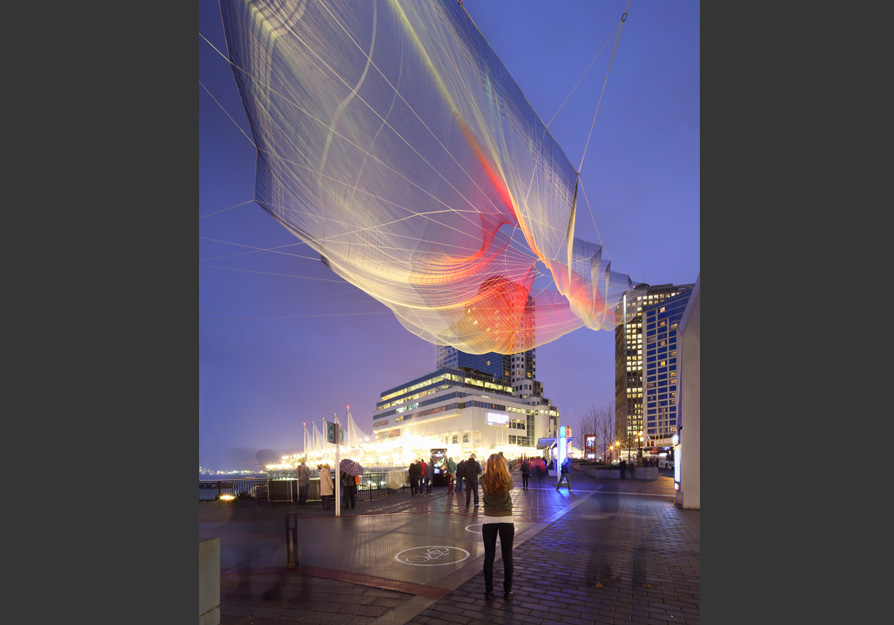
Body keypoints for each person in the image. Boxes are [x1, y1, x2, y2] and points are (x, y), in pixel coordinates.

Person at [481, 453, 514, 600]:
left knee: (489, 556)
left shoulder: (483, 480)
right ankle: (507, 591)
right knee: (507, 556)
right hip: (507, 519)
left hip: (488, 519)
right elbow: (510, 484)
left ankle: (489, 590)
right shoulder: (508, 479)